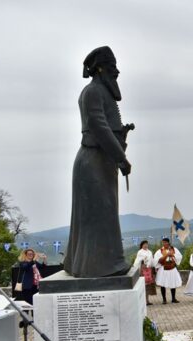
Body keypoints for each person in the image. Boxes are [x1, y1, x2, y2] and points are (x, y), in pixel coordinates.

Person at [64, 46, 132, 278]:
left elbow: (108, 128)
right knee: (97, 215)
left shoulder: (101, 92)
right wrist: (121, 158)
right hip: (92, 161)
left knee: (104, 213)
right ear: (101, 69)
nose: (117, 72)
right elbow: (99, 127)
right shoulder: (92, 92)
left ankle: (97, 264)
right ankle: (100, 267)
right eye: (112, 67)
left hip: (102, 162)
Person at [153, 238, 183, 304]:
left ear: (168, 243)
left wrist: (172, 255)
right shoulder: (160, 251)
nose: (164, 244)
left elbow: (179, 257)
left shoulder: (174, 249)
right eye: (163, 242)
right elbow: (158, 260)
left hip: (172, 268)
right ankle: (164, 299)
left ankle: (173, 298)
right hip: (163, 268)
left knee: (173, 283)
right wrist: (166, 255)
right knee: (163, 284)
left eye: (165, 242)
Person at [133, 240, 156, 305]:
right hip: (142, 270)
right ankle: (143, 301)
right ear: (142, 245)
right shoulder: (140, 252)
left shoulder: (150, 252)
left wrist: (153, 267)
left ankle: (147, 300)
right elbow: (137, 261)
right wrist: (142, 265)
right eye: (144, 244)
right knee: (143, 285)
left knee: (148, 286)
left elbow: (152, 261)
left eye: (146, 244)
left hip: (149, 270)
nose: (146, 245)